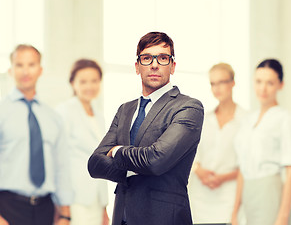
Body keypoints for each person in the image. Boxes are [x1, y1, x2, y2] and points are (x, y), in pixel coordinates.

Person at [87, 31, 204, 225]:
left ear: (173, 66)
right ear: (137, 67)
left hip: (164, 218)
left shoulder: (188, 107)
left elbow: (155, 160)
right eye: (147, 58)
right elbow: (95, 164)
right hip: (122, 217)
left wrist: (117, 151)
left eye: (163, 58)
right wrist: (133, 169)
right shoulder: (125, 109)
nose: (155, 64)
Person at [0, 44, 73, 225]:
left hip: (46, 209)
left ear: (40, 70)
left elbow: (61, 166)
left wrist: (65, 214)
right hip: (8, 207)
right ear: (10, 70)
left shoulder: (53, 117)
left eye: (31, 64)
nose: (26, 71)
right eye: (19, 65)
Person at [231, 59, 291, 225]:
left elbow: (290, 169)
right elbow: (242, 169)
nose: (263, 89)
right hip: (248, 194)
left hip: (270, 191)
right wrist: (235, 211)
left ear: (281, 85)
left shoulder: (284, 119)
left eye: (270, 83)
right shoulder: (248, 120)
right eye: (258, 82)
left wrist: (283, 217)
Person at [188, 63, 246, 223]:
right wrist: (199, 171)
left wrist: (223, 177)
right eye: (213, 83)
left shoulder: (246, 120)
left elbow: (248, 163)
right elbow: (191, 154)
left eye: (222, 82)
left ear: (233, 83)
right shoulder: (203, 119)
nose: (217, 88)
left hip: (229, 200)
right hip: (199, 199)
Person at [56, 59, 109, 225]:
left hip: (96, 197)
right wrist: (63, 206)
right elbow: (58, 159)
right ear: (73, 83)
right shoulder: (64, 111)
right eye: (83, 81)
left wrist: (104, 206)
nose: (89, 86)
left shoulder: (99, 114)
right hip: (74, 198)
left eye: (94, 81)